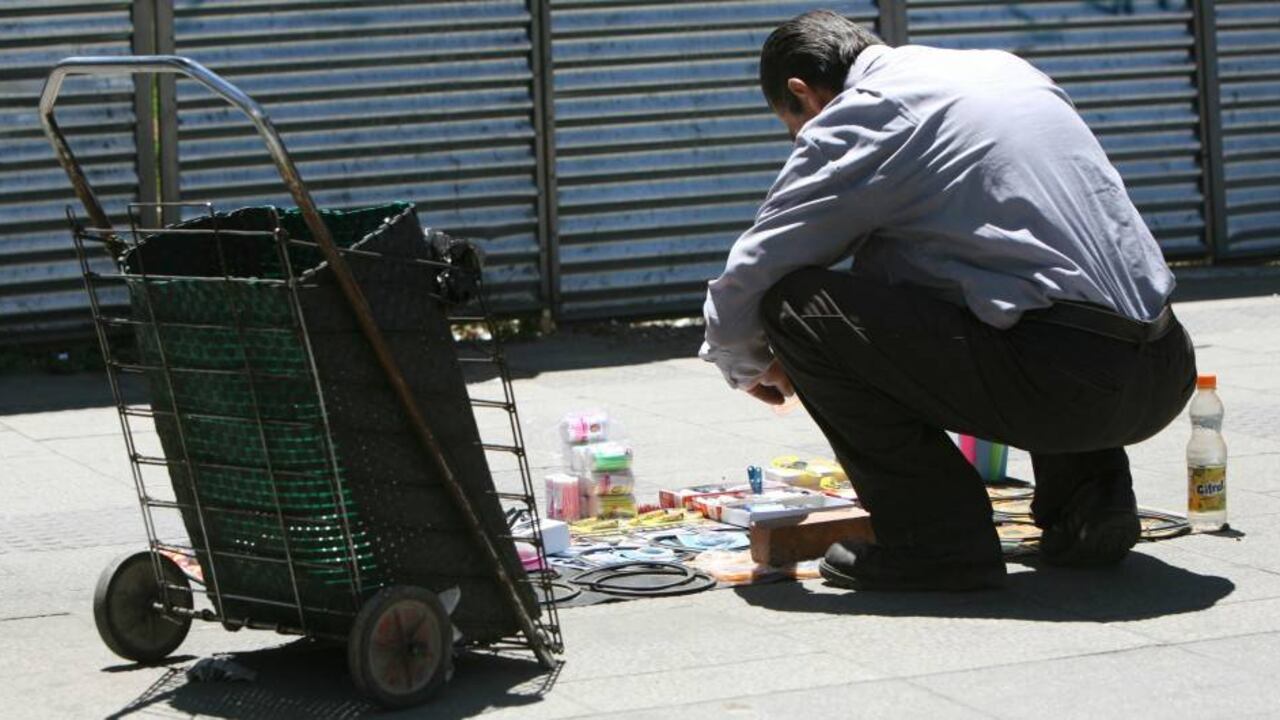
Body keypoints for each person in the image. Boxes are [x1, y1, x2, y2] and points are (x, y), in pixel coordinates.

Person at [699, 10, 1197, 591]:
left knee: (797, 307)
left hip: (1068, 386)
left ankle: (935, 541)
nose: (799, 144)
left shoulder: (869, 112)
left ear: (802, 94)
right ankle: (1089, 511)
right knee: (1018, 282)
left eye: (793, 129)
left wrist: (747, 361)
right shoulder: (1002, 70)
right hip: (1163, 368)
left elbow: (760, 267)